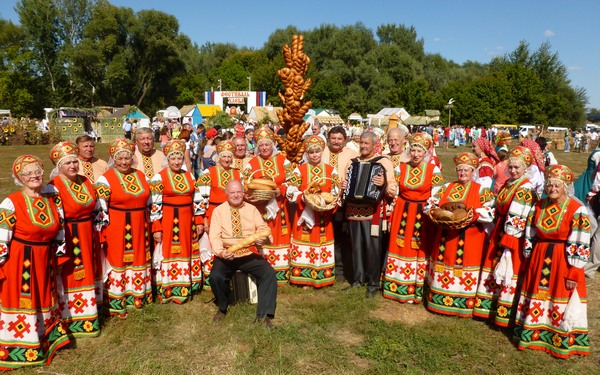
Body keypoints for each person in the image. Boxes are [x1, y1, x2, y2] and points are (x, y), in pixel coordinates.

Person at [0, 155, 71, 370]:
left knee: (43, 297)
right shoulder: (11, 202)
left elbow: (58, 228)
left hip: (44, 259)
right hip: (21, 261)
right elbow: (2, 236)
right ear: (20, 178)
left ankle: (43, 338)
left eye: (37, 172)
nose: (34, 176)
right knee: (25, 299)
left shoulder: (50, 199)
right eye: (28, 173)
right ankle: (19, 345)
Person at [514, 165, 591, 359]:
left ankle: (557, 337)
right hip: (539, 256)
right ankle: (532, 333)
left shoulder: (577, 209)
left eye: (557, 185)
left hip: (563, 258)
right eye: (549, 185)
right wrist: (528, 256)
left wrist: (575, 269)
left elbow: (581, 240)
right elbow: (530, 232)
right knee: (537, 293)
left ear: (565, 187)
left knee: (560, 293)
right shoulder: (539, 206)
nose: (552, 189)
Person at [425, 152, 495, 318]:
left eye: (466, 170)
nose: (462, 173)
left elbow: (491, 211)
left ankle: (462, 303)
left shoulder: (482, 190)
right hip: (446, 237)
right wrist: (435, 212)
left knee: (464, 269)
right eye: (460, 170)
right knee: (444, 264)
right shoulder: (446, 187)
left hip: (470, 238)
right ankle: (439, 301)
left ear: (473, 172)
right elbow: (430, 204)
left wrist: (472, 216)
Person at [473, 146, 537, 326]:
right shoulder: (510, 184)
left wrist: (509, 241)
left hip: (512, 236)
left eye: (518, 168)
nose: (514, 170)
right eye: (511, 167)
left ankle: (504, 312)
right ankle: (490, 307)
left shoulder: (524, 189)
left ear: (525, 168)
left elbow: (519, 217)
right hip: (501, 229)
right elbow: (496, 203)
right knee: (494, 265)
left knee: (508, 268)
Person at [47, 142, 101, 338]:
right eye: (67, 163)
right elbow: (56, 219)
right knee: (72, 274)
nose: (72, 166)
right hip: (68, 236)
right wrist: (60, 249)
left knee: (90, 271)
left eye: (74, 161)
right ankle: (70, 318)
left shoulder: (86, 181)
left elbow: (96, 209)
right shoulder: (53, 187)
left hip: (88, 233)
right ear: (59, 166)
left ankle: (90, 314)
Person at [383, 133, 444, 304]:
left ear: (426, 153)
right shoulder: (401, 168)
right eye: (413, 150)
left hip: (421, 215)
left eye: (420, 151)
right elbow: (394, 191)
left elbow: (438, 193)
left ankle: (414, 289)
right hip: (402, 211)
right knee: (398, 246)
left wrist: (430, 207)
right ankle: (395, 285)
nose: (416, 154)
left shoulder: (433, 169)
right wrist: (390, 213)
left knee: (418, 248)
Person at [208, 181, 278, 329]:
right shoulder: (218, 211)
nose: (236, 195)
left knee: (269, 273)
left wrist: (263, 238)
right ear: (226, 194)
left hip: (248, 252)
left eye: (238, 192)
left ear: (243, 193)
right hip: (227, 253)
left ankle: (263, 315)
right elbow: (214, 235)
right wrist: (221, 252)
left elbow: (263, 228)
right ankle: (222, 307)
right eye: (232, 192)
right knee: (215, 277)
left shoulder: (252, 209)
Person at [95, 138, 152, 317]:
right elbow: (100, 209)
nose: (124, 162)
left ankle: (137, 296)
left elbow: (149, 200)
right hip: (117, 225)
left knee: (138, 257)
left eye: (127, 158)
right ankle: (117, 300)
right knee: (118, 259)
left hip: (139, 224)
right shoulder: (106, 179)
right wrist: (102, 232)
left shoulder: (140, 175)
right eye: (119, 159)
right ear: (113, 159)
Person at [341, 132, 397, 298]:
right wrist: (344, 185)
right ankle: (358, 279)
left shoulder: (383, 162)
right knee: (356, 246)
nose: (364, 146)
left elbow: (393, 187)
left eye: (367, 143)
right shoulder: (353, 163)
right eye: (362, 143)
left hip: (373, 212)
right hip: (353, 211)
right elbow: (345, 182)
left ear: (374, 144)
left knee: (372, 248)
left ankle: (373, 282)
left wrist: (384, 183)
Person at [149, 140, 204, 303]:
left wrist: (199, 220)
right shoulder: (159, 177)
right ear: (167, 159)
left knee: (187, 249)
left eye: (179, 158)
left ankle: (187, 285)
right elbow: (155, 205)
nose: (176, 162)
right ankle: (169, 289)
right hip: (169, 220)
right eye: (173, 158)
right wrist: (157, 228)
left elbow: (197, 199)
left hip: (187, 220)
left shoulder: (189, 175)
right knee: (170, 251)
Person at [286, 136, 340, 288]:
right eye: (311, 152)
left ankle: (323, 276)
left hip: (324, 215)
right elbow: (290, 190)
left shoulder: (331, 170)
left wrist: (333, 201)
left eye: (317, 151)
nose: (315, 155)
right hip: (305, 213)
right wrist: (303, 197)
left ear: (322, 151)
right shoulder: (300, 169)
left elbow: (336, 192)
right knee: (306, 243)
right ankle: (304, 278)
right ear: (307, 154)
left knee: (321, 243)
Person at [242, 126, 293, 286]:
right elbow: (245, 184)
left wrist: (282, 190)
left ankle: (281, 273)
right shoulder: (251, 163)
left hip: (280, 207)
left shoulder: (283, 161)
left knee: (279, 236)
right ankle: (263, 272)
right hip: (259, 208)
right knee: (262, 237)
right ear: (257, 146)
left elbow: (294, 181)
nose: (264, 148)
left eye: (267, 144)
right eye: (261, 145)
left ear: (273, 145)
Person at [197, 140, 242, 291]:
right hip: (213, 213)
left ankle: (231, 277)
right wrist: (204, 218)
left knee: (231, 242)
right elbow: (201, 197)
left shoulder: (237, 173)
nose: (227, 160)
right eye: (224, 156)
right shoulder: (208, 173)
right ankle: (212, 280)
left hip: (233, 213)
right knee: (213, 243)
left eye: (229, 156)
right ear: (218, 157)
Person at [321, 126, 358, 281]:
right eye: (333, 138)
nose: (336, 142)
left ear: (345, 140)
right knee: (324, 235)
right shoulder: (320, 153)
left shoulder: (353, 156)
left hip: (343, 203)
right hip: (322, 202)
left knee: (342, 236)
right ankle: (323, 265)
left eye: (339, 139)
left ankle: (342, 269)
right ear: (328, 139)